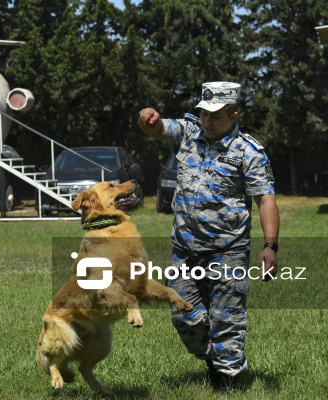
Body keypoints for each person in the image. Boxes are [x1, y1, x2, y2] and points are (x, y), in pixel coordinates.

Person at [137, 81, 280, 393]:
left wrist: (270, 246)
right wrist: (148, 118)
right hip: (184, 251)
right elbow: (158, 129)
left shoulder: (248, 152)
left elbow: (266, 199)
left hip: (227, 251)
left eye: (215, 116)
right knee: (183, 316)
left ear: (233, 115)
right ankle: (214, 360)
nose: (207, 121)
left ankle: (228, 382)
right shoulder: (188, 134)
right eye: (203, 114)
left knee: (226, 320)